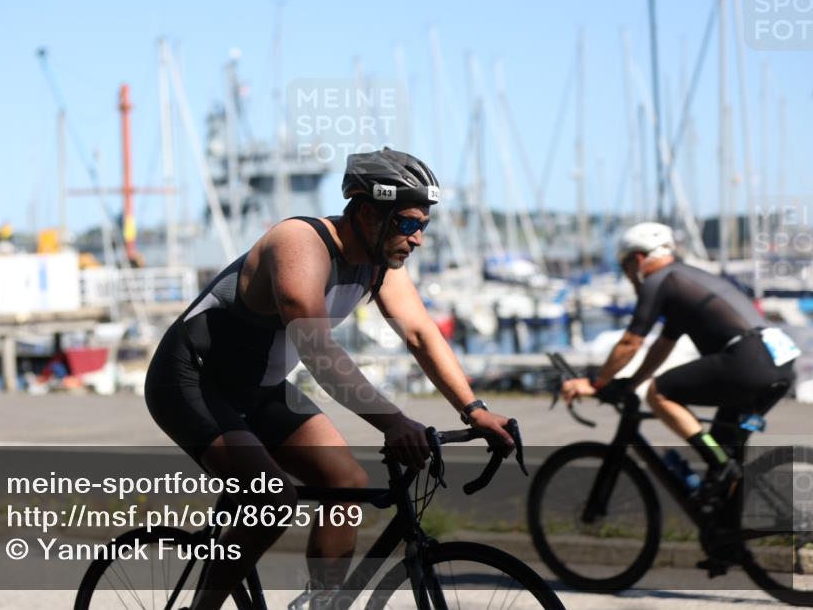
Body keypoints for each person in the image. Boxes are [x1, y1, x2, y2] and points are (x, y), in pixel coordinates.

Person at [145, 148, 516, 610]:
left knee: (346, 482)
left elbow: (420, 334)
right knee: (273, 499)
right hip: (191, 381)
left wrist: (473, 409)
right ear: (366, 214)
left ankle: (320, 604)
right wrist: (394, 422)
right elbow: (317, 348)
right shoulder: (299, 243)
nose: (418, 237)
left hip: (260, 387)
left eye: (424, 224)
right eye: (407, 223)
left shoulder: (382, 263)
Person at [562, 222, 799, 500]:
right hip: (779, 361)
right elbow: (663, 345)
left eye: (625, 269)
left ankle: (720, 465)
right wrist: (631, 383)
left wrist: (597, 383)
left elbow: (630, 342)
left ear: (637, 259)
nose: (628, 277)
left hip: (748, 360)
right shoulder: (686, 277)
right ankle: (728, 534)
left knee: (659, 392)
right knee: (724, 457)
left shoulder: (658, 280)